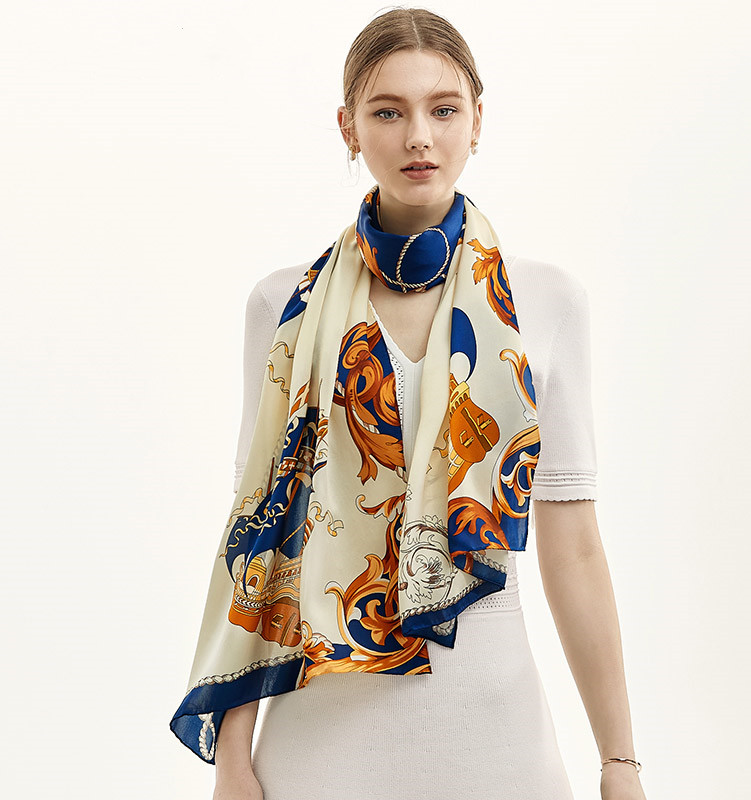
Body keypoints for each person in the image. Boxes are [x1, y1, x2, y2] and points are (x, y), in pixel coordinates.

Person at [172, 8, 647, 800]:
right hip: (319, 746)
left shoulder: (546, 302)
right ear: (349, 128)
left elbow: (575, 551)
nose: (419, 136)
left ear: (477, 121)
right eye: (388, 112)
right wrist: (232, 762)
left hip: (499, 741)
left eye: (443, 109)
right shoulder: (281, 307)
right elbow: (260, 541)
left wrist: (619, 762)